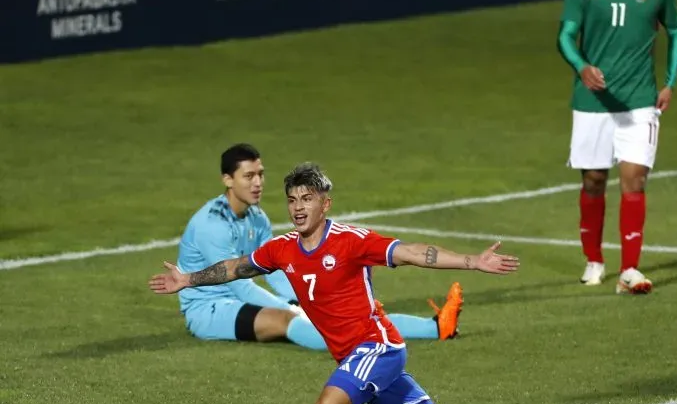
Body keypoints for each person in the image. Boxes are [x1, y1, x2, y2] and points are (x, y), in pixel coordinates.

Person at [150, 162, 550, 404]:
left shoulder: (351, 241)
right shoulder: (282, 249)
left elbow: (412, 252)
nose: (298, 207)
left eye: (307, 199)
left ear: (325, 204)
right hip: (358, 359)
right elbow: (238, 267)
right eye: (292, 200)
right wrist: (189, 279)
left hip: (378, 348)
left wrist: (472, 262)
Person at [175, 144, 464, 351]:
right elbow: (239, 283)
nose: (258, 183)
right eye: (248, 176)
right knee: (285, 319)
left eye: (261, 174)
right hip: (209, 309)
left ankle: (437, 326)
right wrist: (296, 307)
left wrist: (307, 298)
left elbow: (277, 269)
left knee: (353, 314)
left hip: (240, 298)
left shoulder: (256, 216)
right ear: (227, 180)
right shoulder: (211, 225)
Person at [557, 0, 677, 294]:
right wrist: (581, 66)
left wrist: (670, 82)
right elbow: (565, 36)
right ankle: (594, 260)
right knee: (594, 180)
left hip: (639, 100)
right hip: (593, 101)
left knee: (634, 178)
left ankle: (630, 269)